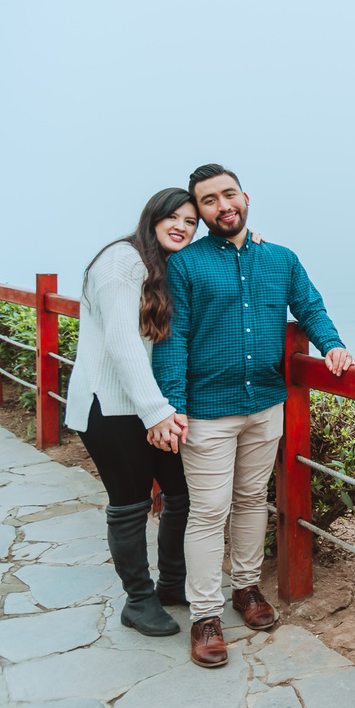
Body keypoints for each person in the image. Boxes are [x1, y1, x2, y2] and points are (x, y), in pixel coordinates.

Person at [152, 163, 355, 668]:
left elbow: (310, 307)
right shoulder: (186, 265)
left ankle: (246, 589)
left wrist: (331, 344)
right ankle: (204, 616)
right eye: (209, 201)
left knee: (250, 501)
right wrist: (173, 406)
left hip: (266, 405)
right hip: (206, 412)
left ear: (245, 197)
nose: (223, 206)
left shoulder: (281, 258)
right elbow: (173, 339)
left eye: (229, 195)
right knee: (208, 511)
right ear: (201, 212)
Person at [64, 188, 196, 637]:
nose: (181, 226)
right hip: (110, 407)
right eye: (173, 217)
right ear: (152, 217)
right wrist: (157, 413)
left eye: (190, 222)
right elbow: (122, 341)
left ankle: (172, 583)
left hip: (147, 406)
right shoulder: (121, 261)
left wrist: (247, 241)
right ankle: (138, 601)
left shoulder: (159, 263)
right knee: (130, 505)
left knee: (181, 494)